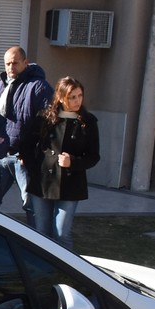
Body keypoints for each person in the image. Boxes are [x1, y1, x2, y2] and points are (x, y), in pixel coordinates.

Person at [20, 76, 101, 250]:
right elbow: (26, 146)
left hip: (70, 184)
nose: (77, 100)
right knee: (41, 231)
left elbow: (94, 156)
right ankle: (40, 272)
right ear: (61, 97)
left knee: (61, 232)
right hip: (42, 182)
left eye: (80, 96)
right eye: (72, 97)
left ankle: (67, 273)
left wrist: (73, 162)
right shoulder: (44, 118)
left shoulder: (88, 122)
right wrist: (34, 170)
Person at [0, 45, 53, 219]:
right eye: (7, 64)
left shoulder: (39, 87)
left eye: (15, 63)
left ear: (25, 63)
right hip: (2, 154)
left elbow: (47, 124)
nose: (11, 68)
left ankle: (36, 243)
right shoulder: (2, 85)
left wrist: (31, 152)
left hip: (24, 158)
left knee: (31, 205)